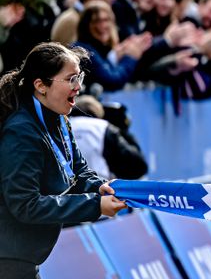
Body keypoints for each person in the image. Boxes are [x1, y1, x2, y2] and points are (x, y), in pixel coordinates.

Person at [0, 42, 127, 278]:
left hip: (23, 259)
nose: (78, 87)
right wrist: (95, 205)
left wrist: (102, 188)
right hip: (7, 261)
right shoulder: (21, 131)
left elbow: (78, 173)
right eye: (70, 79)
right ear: (41, 86)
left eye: (79, 77)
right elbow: (26, 205)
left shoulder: (59, 119)